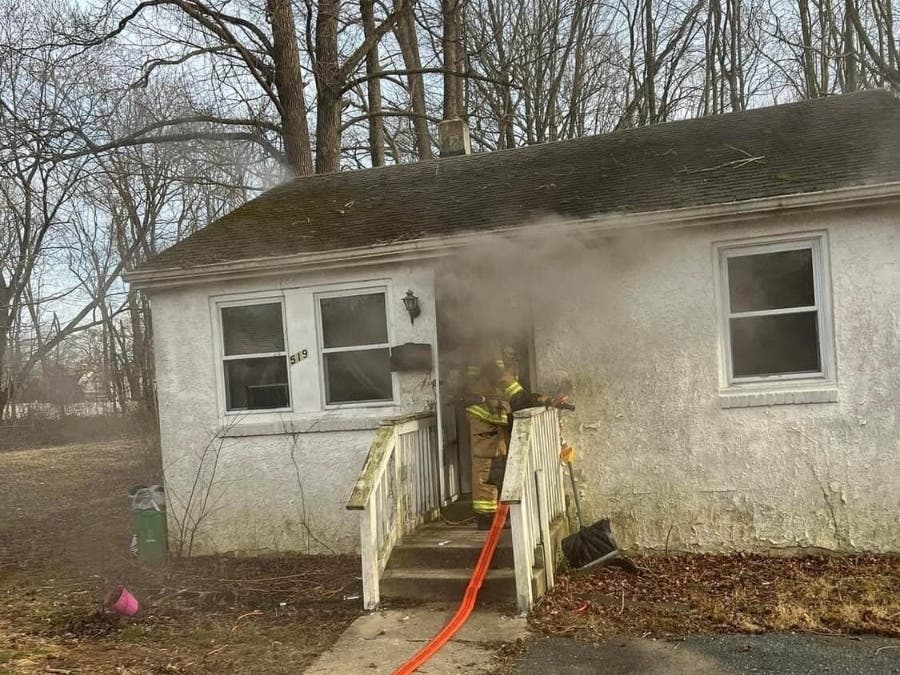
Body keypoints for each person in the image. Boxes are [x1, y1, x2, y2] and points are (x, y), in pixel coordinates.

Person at [465, 345, 558, 530]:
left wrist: (536, 398)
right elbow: (497, 373)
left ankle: (496, 514)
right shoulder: (488, 342)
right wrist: (519, 395)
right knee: (486, 466)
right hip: (485, 413)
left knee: (498, 463)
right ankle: (485, 517)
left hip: (498, 413)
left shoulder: (503, 340)